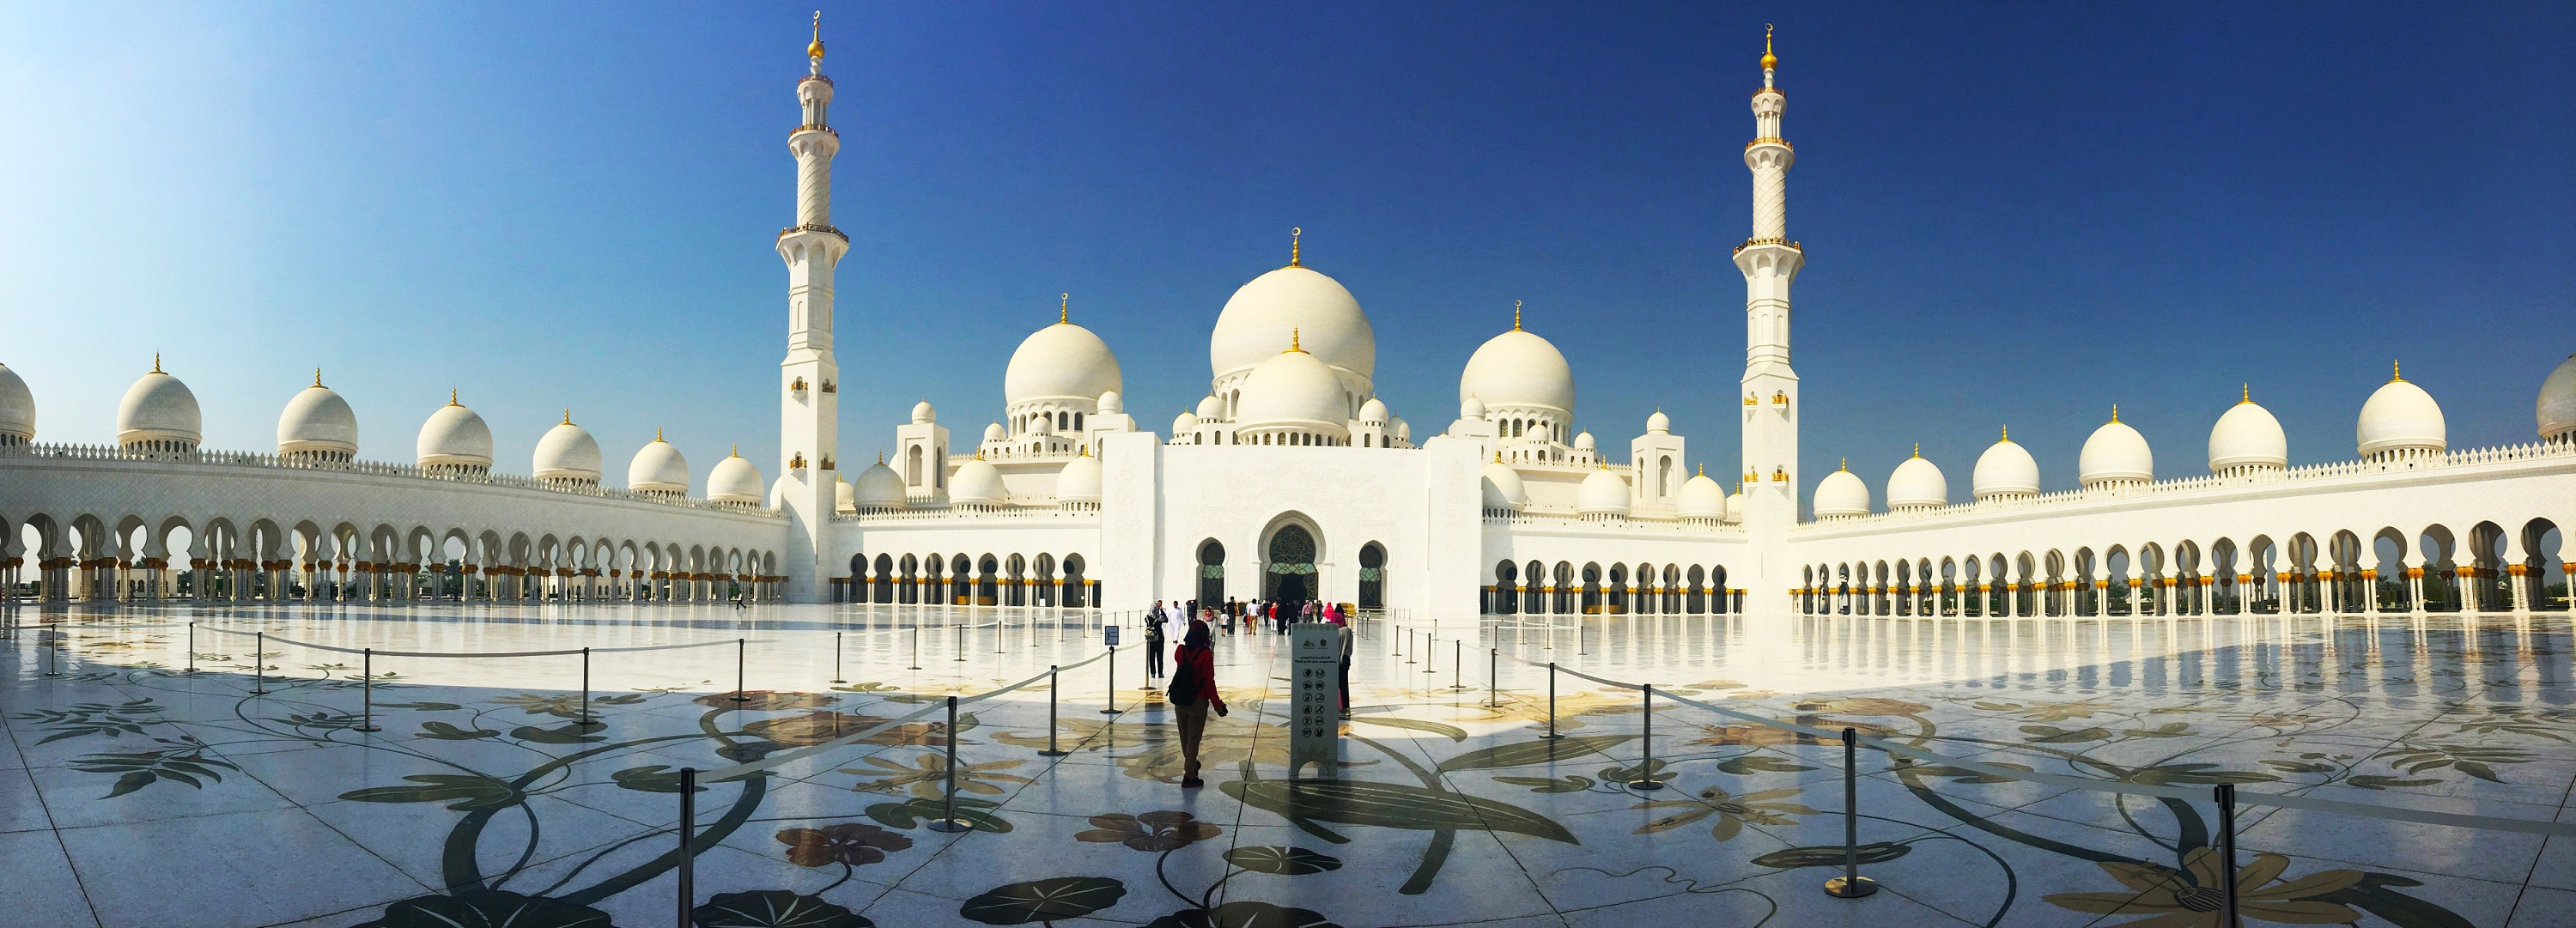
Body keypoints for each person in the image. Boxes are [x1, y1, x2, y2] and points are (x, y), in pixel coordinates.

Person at [1169, 618, 1227, 787]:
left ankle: (1191, 765)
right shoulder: (1206, 654)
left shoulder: (1180, 651)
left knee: (1184, 736)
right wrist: (1217, 705)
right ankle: (1189, 776)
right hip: (1198, 701)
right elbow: (1209, 682)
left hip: (1180, 700)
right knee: (1193, 739)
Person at [1144, 600, 1168, 680]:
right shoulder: (1159, 618)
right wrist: (1161, 610)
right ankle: (1160, 673)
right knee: (1160, 656)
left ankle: (1152, 672)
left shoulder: (1147, 617)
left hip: (1150, 639)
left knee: (1151, 656)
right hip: (1159, 639)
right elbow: (1166, 619)